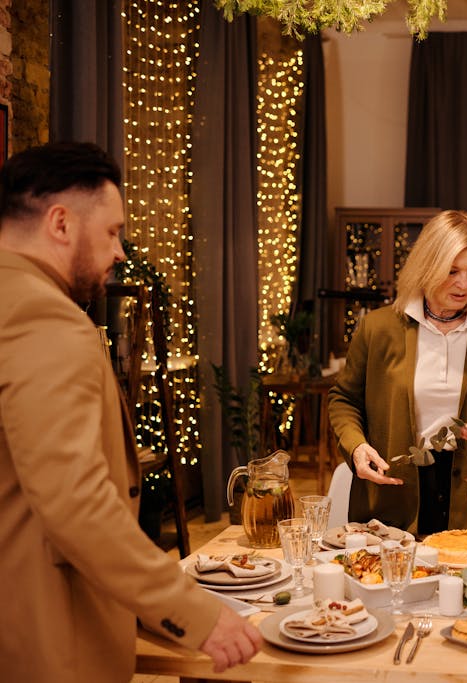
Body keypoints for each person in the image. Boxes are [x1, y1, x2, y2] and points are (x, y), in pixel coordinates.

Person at [0, 142, 261, 682]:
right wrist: (196, 613)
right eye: (113, 231)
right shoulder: (45, 318)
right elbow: (76, 500)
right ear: (61, 223)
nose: (121, 251)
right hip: (43, 633)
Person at [328, 209, 467, 535]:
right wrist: (356, 446)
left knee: (461, 581)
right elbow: (344, 399)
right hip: (392, 483)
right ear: (426, 267)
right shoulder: (379, 328)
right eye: (451, 271)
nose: (464, 284)